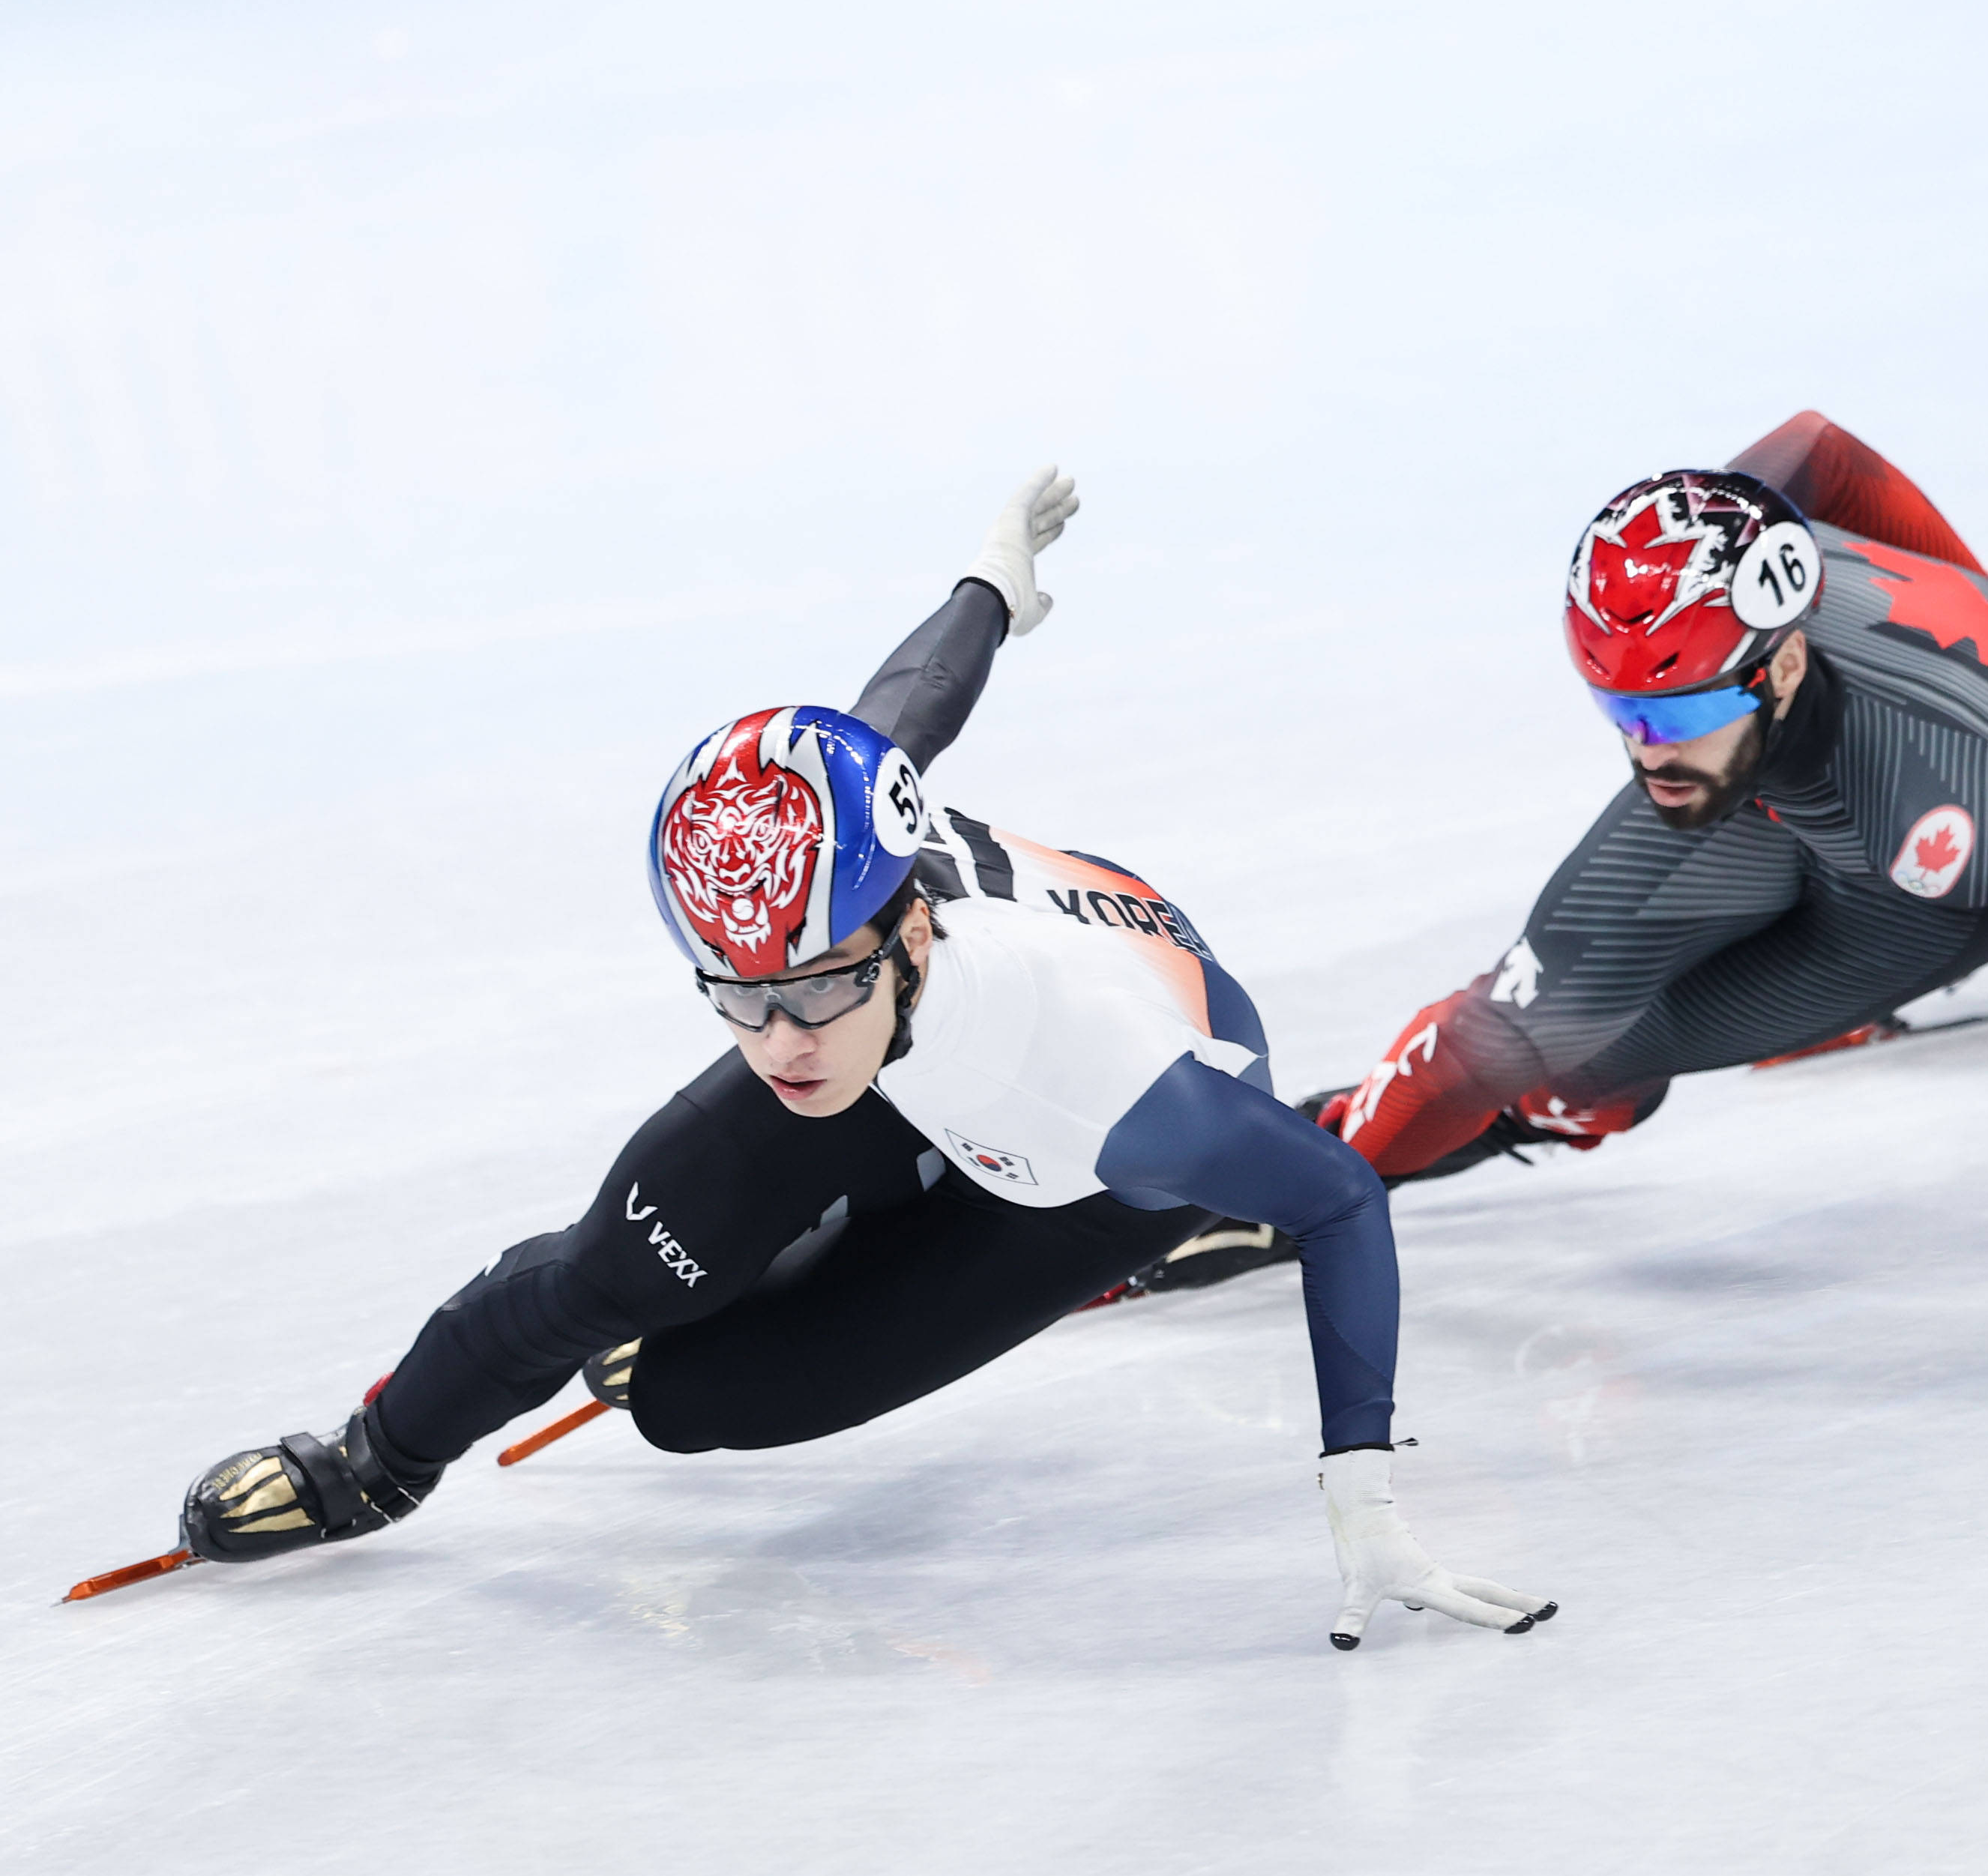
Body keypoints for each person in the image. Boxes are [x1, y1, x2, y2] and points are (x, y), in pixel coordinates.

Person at [171, 469, 1549, 1651]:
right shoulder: (819, 887)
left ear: (906, 922)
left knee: (699, 1399)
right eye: (734, 994)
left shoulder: (1100, 1072)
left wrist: (1361, 1489)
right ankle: (377, 1460)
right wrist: (994, 581)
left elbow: (1339, 1201)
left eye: (814, 987)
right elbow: (906, 702)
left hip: (1089, 1146)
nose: (777, 1040)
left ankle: (1134, 1226)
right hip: (923, 1055)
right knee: (619, 1276)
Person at [1165, 417, 1988, 1367]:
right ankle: (1346, 1158)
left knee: (1590, 1064)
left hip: (1924, 894)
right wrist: (1973, 598)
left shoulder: (1934, 817)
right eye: (1620, 713)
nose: (1648, 751)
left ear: (1779, 666)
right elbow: (1823, 449)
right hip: (1792, 777)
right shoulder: (1727, 551)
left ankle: (1365, 1175)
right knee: (1507, 1025)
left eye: (1675, 716)